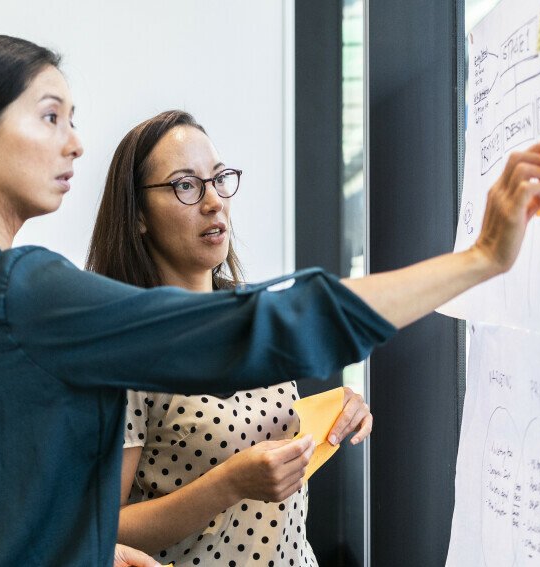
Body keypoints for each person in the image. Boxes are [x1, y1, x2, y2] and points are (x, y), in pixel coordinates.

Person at [0, 33, 540, 567]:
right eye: (50, 117)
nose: (74, 144)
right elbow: (262, 330)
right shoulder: (16, 290)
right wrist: (480, 257)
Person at [87, 110, 375, 565]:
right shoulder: (125, 348)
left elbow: (265, 438)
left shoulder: (259, 315)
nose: (213, 201)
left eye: (220, 179)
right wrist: (228, 483)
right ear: (138, 214)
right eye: (185, 185)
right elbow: (99, 529)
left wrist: (337, 413)